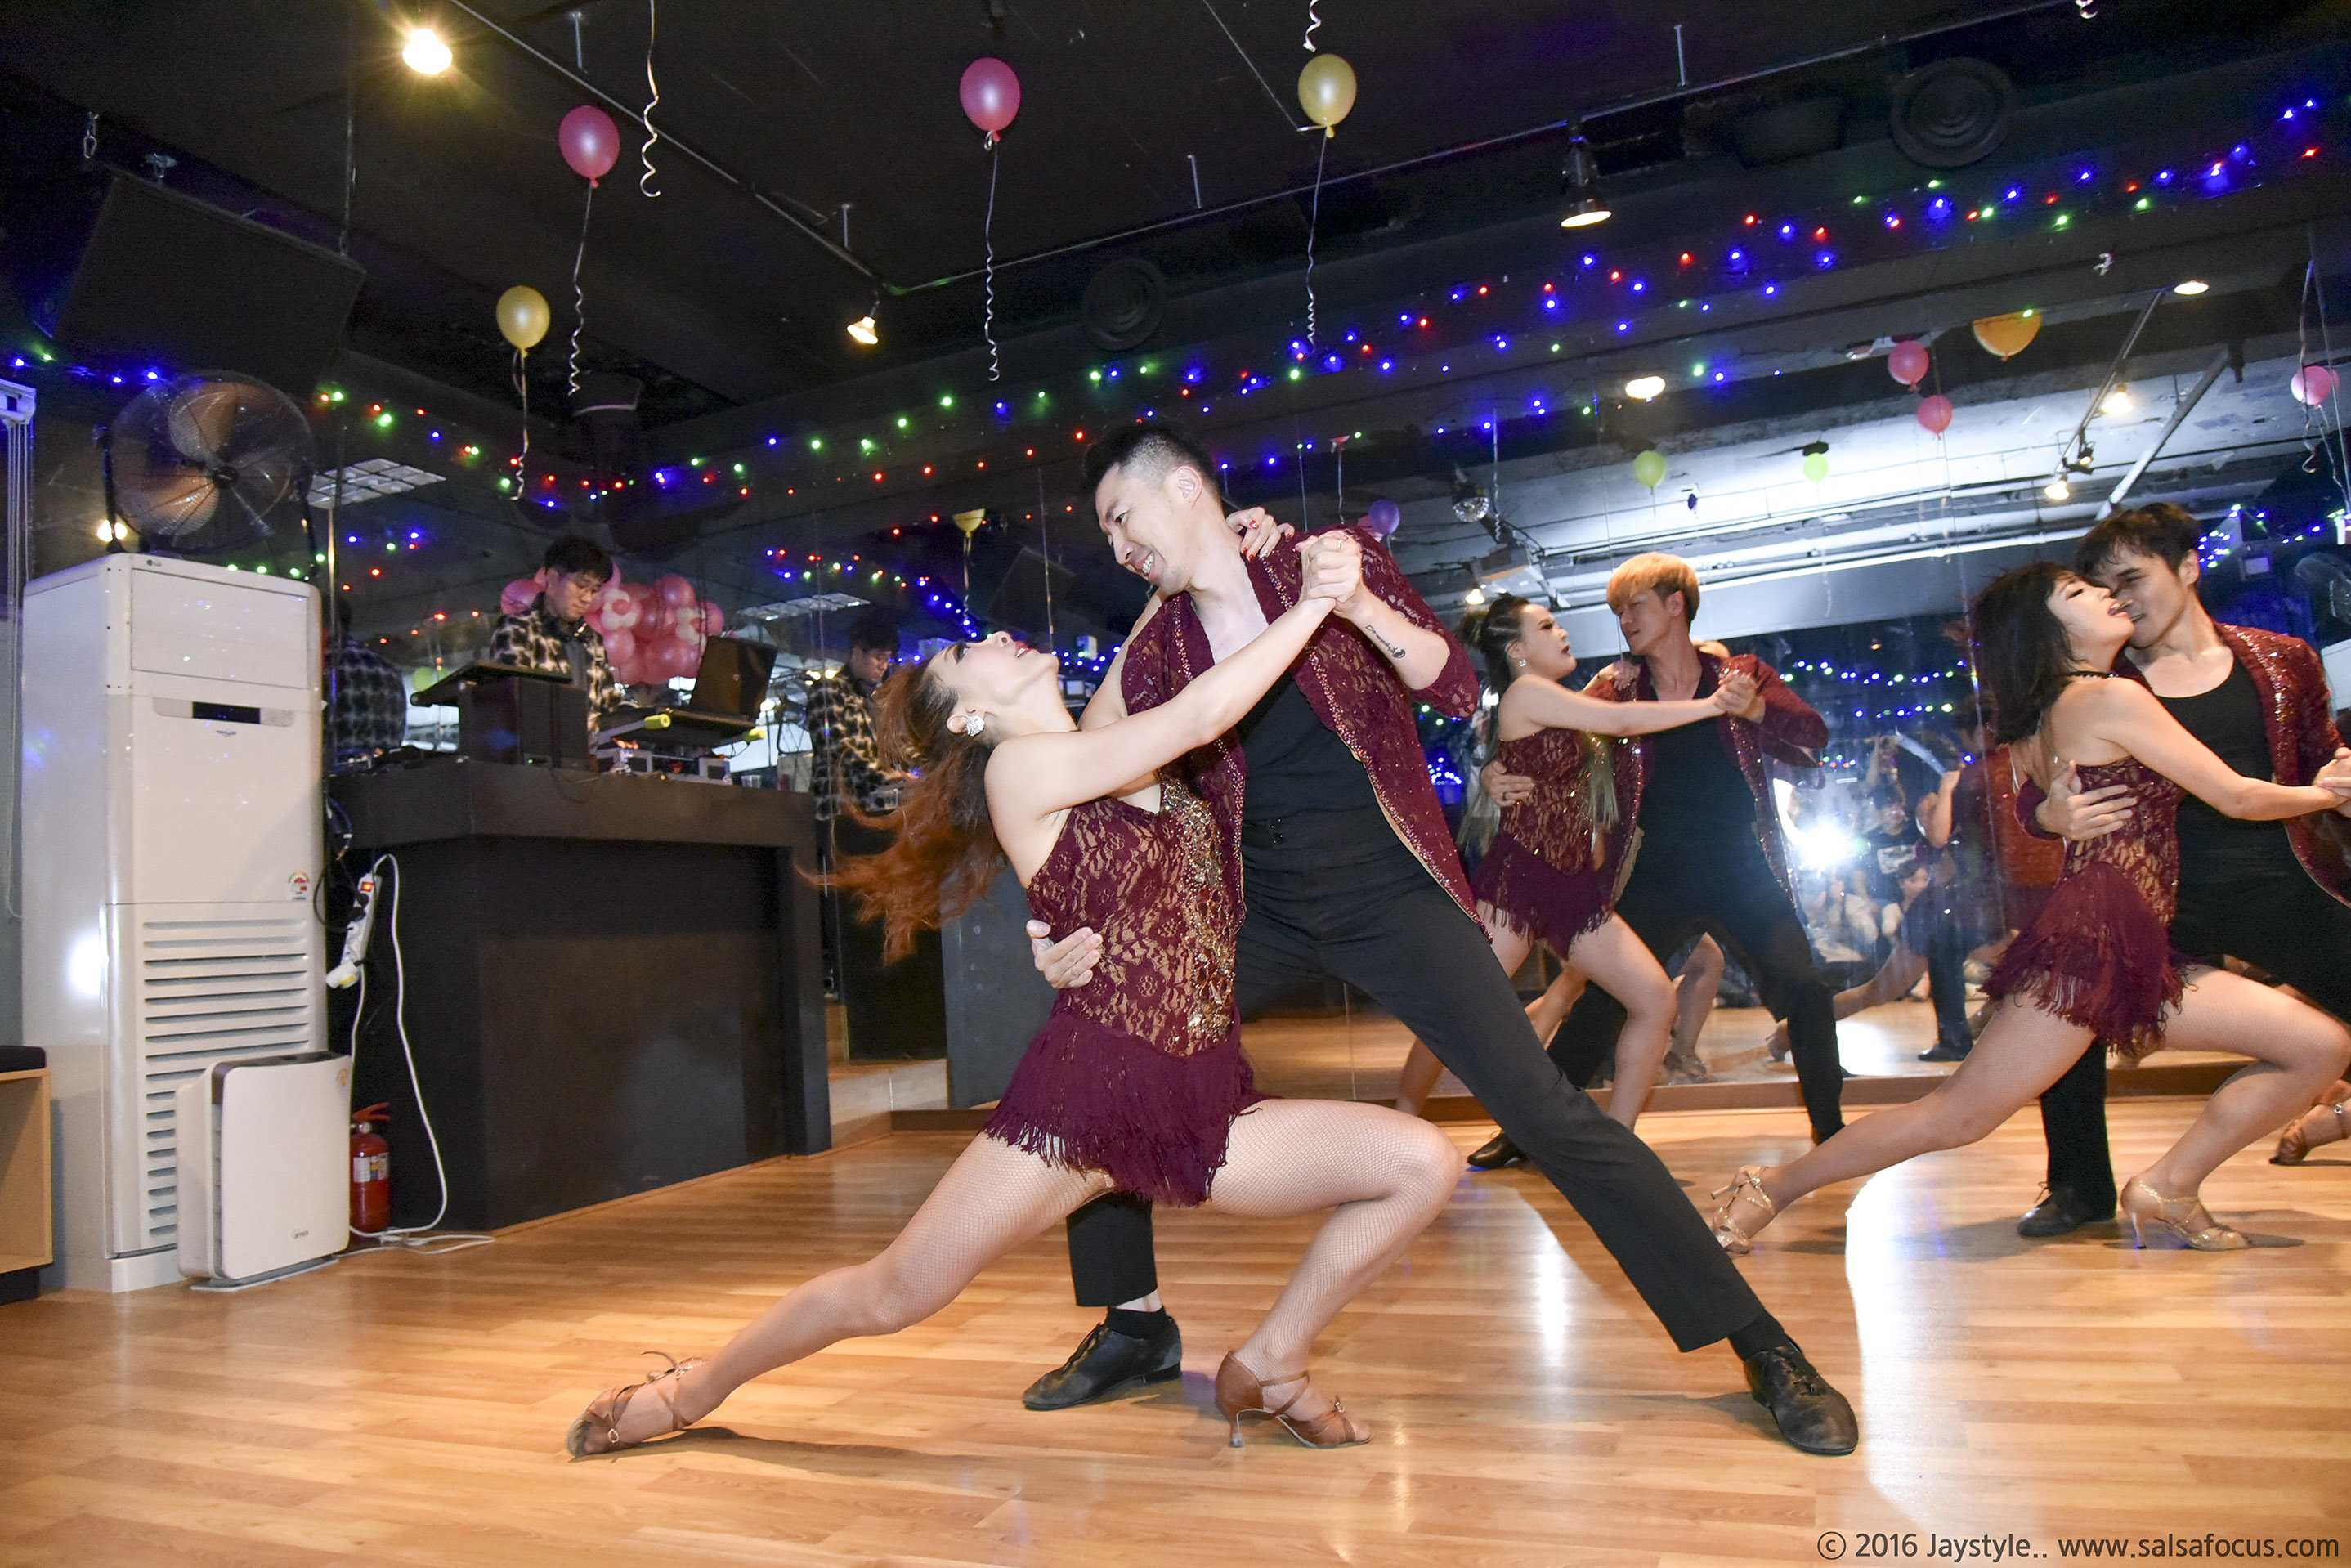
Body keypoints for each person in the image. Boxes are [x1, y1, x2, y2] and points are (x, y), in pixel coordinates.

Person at [1023, 424, 1857, 1456]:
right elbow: (1088, 764)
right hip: (1259, 910)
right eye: (1104, 530)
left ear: (1187, 487)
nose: (1114, 544)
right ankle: (1133, 1323)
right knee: (1100, 1047)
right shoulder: (1162, 643)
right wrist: (1069, 919)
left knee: (1550, 1114)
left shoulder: (1323, 560)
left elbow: (1455, 687)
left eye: (1122, 516)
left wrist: (1356, 602)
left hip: (1391, 893)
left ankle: (1762, 1344)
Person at [566, 549, 1467, 1457]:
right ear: (969, 716)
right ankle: (690, 1392)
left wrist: (1184, 558)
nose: (994, 636)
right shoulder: (1019, 771)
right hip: (1088, 1101)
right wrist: (1315, 603)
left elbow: (1152, 639)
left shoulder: (1103, 733)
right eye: (969, 653)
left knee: (1421, 1163)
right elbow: (1201, 714)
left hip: (1201, 1101)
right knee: (894, 1292)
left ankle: (1272, 1361)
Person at [1708, 562, 2351, 1257]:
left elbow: (2037, 806)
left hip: (2132, 938)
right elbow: (2237, 797)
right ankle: (1769, 1187)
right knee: (1956, 1115)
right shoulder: (2108, 697)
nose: (2105, 593)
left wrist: (2048, 815)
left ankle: (2169, 1186)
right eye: (2079, 592)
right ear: (2050, 630)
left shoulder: (2045, 715)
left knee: (2316, 1046)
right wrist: (2328, 795)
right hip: (2098, 943)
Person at [2018, 504, 2351, 1234]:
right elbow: (2032, 792)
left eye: (2134, 578)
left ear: (2189, 566)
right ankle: (2077, 1187)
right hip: (2161, 898)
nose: (2122, 600)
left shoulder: (2283, 660)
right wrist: (2048, 815)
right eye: (2106, 588)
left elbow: (2321, 758)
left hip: (2283, 880)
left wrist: (2342, 776)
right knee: (2071, 1016)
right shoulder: (2102, 680)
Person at [1496, 553, 1848, 1148]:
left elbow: (1813, 736)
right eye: (1618, 611)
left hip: (1742, 868)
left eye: (1634, 606)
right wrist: (1494, 774)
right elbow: (1545, 741)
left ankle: (1831, 1131)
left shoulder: (1740, 675)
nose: (1625, 621)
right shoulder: (1617, 689)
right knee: (1604, 1001)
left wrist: (1756, 709)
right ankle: (1528, 1135)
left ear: (1676, 605)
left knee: (1805, 986)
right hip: (1659, 870)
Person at [1386, 594, 1756, 1136]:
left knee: (1655, 1001)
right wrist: (1712, 705)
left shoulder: (1552, 699)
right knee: (1458, 1013)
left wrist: (1496, 768)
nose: (1562, 633)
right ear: (1517, 650)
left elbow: (1570, 729)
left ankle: (1619, 1143)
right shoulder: (1527, 692)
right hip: (1520, 884)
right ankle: (1404, 1117)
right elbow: (1620, 718)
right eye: (1546, 626)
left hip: (1572, 887)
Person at [803, 611, 939, 1060]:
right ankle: (860, 1013)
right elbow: (840, 750)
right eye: (876, 657)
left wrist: (920, 772)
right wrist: (892, 776)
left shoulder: (879, 698)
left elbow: (902, 746)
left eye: (887, 658)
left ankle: (899, 1020)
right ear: (856, 653)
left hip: (881, 818)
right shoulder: (827, 693)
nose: (882, 665)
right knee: (852, 914)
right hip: (840, 815)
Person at [486, 536, 621, 741]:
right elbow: (513, 703)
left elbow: (609, 707)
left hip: (590, 756)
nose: (587, 598)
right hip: (537, 753)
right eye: (581, 586)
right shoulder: (517, 629)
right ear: (552, 577)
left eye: (594, 590)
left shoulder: (593, 640)